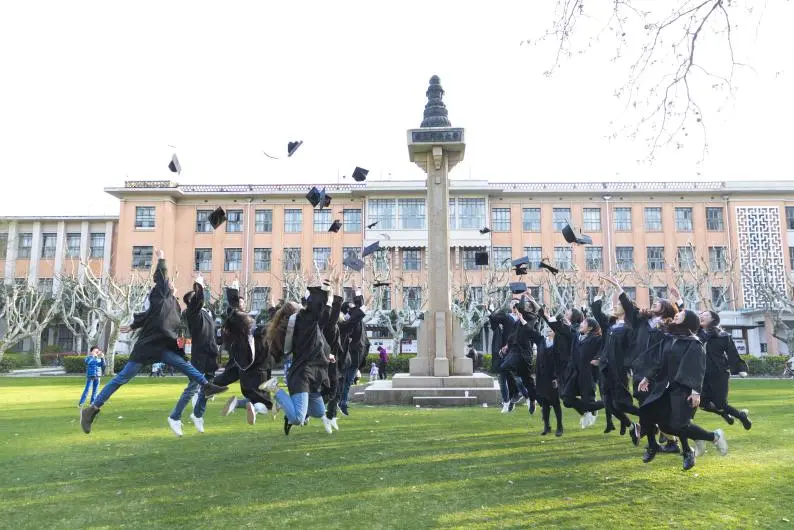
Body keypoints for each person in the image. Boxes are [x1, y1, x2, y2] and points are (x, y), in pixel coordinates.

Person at [80, 249, 228, 434]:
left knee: (186, 366)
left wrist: (134, 325)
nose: (172, 283)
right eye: (169, 282)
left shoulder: (173, 304)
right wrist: (161, 258)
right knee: (122, 378)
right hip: (148, 346)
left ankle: (206, 387)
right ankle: (92, 409)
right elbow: (162, 278)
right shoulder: (162, 294)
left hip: (165, 347)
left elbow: (149, 316)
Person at [637, 309, 728, 470]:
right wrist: (647, 377)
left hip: (683, 389)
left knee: (680, 425)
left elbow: (698, 368)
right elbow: (660, 362)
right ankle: (655, 445)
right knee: (654, 416)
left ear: (687, 321)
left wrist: (695, 391)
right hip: (665, 387)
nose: (677, 314)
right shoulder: (669, 339)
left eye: (681, 314)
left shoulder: (694, 343)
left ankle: (712, 437)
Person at [265, 282, 335, 435]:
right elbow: (318, 311)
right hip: (302, 375)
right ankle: (274, 388)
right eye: (298, 304)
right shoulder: (302, 322)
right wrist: (325, 288)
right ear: (294, 313)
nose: (301, 304)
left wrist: (327, 355)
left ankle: (285, 402)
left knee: (318, 412)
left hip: (313, 375)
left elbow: (317, 341)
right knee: (298, 418)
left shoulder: (302, 326)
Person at [214, 281, 276, 426]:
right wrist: (272, 310)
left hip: (245, 369)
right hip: (257, 369)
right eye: (240, 302)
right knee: (265, 404)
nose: (243, 304)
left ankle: (236, 403)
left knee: (255, 397)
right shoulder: (245, 322)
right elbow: (266, 329)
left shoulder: (234, 325)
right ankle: (252, 408)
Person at [166, 275, 220, 436]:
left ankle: (197, 415)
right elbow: (199, 298)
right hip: (200, 355)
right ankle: (174, 417)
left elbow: (212, 333)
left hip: (211, 354)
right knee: (192, 388)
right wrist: (199, 283)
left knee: (208, 389)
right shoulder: (192, 312)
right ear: (191, 301)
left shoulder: (206, 314)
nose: (198, 298)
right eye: (195, 297)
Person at [590, 293, 640, 445]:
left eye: (618, 304)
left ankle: (649, 416)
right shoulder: (610, 325)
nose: (615, 306)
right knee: (608, 404)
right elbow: (597, 313)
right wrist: (599, 294)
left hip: (619, 370)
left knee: (622, 404)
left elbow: (631, 349)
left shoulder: (630, 326)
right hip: (605, 369)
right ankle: (632, 426)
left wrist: (627, 364)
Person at [697, 310, 752, 430]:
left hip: (719, 374)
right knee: (701, 403)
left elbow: (732, 352)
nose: (701, 316)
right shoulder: (697, 335)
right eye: (700, 315)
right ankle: (723, 413)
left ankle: (741, 416)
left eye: (705, 315)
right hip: (702, 374)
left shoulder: (723, 335)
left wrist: (739, 368)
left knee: (720, 403)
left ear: (713, 319)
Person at [558, 316, 605, 428]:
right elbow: (568, 328)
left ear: (590, 328)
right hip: (574, 373)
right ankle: (586, 411)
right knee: (566, 400)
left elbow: (604, 349)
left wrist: (598, 359)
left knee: (589, 404)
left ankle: (609, 402)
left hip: (587, 374)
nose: (581, 324)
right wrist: (546, 317)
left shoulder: (596, 339)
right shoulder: (577, 336)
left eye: (584, 323)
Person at [534, 327, 563, 436]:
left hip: (553, 377)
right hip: (542, 377)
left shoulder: (558, 344)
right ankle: (547, 426)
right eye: (548, 329)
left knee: (555, 402)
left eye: (551, 330)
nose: (549, 331)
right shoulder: (542, 341)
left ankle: (560, 427)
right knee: (545, 402)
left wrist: (557, 378)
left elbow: (560, 362)